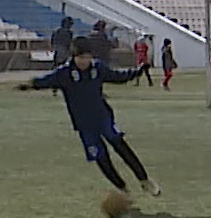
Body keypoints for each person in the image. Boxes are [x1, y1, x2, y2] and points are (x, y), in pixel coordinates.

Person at [21, 37, 161, 199]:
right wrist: (29, 85)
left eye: (88, 57)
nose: (85, 61)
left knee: (120, 145)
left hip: (103, 117)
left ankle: (144, 180)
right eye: (81, 58)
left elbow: (117, 77)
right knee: (101, 157)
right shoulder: (64, 73)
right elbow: (44, 81)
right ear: (74, 57)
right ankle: (122, 188)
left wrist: (138, 71)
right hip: (84, 124)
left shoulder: (98, 68)